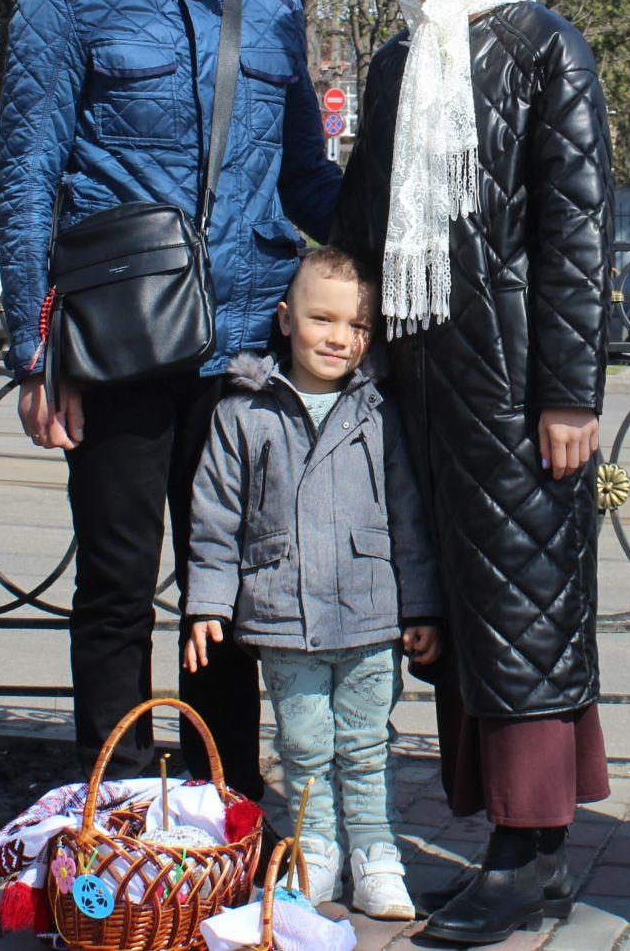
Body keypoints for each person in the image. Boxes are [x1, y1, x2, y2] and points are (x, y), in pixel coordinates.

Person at [0, 0, 341, 793]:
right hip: (118, 343)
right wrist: (30, 345)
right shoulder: (66, 1)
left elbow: (304, 179)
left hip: (240, 346)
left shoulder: (275, 9)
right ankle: (117, 801)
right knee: (111, 586)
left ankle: (220, 802)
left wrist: (396, 226)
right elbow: (24, 180)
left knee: (223, 593)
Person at [331, 0, 612, 945]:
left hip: (518, 388)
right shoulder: (400, 65)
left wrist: (569, 393)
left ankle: (524, 851)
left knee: (526, 610)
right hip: (424, 384)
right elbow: (360, 217)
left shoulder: (543, 46)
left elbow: (576, 232)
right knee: (459, 612)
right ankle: (519, 850)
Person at [181, 247, 442, 917]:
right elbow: (214, 517)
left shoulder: (380, 412)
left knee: (364, 741)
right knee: (302, 743)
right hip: (283, 613)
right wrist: (208, 602)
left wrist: (422, 606)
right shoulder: (246, 412)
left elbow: (408, 515)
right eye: (322, 318)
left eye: (356, 326)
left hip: (370, 614)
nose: (339, 337)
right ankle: (314, 847)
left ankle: (377, 853)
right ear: (286, 319)